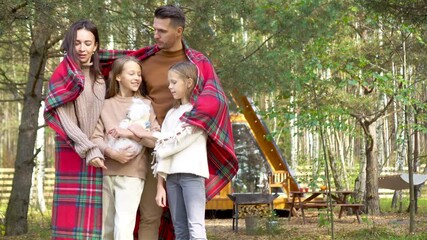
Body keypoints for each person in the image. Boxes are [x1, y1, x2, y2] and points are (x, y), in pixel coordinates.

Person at [100, 5, 238, 239]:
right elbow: (120, 77)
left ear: (179, 31)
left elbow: (215, 100)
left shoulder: (196, 65)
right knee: (124, 217)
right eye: (154, 29)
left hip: (171, 150)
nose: (156, 35)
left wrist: (189, 123)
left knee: (156, 216)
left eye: (162, 31)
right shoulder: (144, 60)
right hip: (136, 147)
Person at [44, 19, 107, 239]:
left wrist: (96, 146)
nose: (82, 48)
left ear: (96, 46)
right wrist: (88, 148)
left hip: (94, 148)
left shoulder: (99, 78)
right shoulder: (63, 75)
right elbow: (66, 121)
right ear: (70, 44)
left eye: (87, 43)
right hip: (71, 147)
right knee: (70, 222)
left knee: (95, 220)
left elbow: (100, 116)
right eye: (77, 43)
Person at [90, 56, 160, 240]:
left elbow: (156, 140)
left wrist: (131, 134)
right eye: (131, 73)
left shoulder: (145, 105)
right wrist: (111, 152)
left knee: (124, 227)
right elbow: (95, 137)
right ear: (118, 77)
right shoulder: (104, 105)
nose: (137, 77)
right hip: (107, 172)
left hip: (133, 173)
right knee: (106, 229)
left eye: (139, 74)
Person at [154, 61, 208, 240]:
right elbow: (163, 147)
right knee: (180, 228)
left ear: (189, 82)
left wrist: (151, 135)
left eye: (174, 82)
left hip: (192, 174)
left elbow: (175, 143)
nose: (170, 87)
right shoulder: (171, 114)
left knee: (195, 227)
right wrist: (160, 185)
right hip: (171, 177)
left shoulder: (198, 112)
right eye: (169, 82)